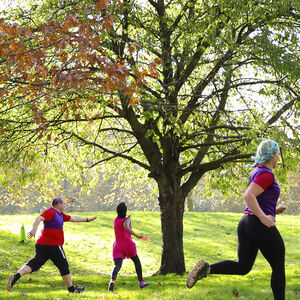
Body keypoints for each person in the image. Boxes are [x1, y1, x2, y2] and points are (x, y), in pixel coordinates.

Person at [186, 139, 287, 300]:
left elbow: (258, 200)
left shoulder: (256, 171)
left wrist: (274, 211)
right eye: (278, 154)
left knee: (243, 266)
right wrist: (263, 217)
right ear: (273, 154)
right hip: (257, 223)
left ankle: (207, 269)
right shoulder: (266, 174)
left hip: (247, 223)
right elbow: (248, 196)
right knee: (278, 267)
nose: (278, 157)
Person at [6, 197, 97, 293]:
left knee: (35, 264)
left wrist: (87, 220)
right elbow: (39, 218)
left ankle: (15, 277)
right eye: (63, 204)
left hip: (42, 245)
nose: (64, 206)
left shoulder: (60, 215)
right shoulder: (51, 212)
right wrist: (34, 230)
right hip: (53, 245)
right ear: (58, 204)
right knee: (63, 265)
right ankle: (71, 290)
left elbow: (73, 218)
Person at [108, 202, 149, 291]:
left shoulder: (116, 219)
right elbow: (126, 227)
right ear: (125, 211)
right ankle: (141, 282)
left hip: (118, 246)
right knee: (137, 262)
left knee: (117, 266)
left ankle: (112, 281)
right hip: (128, 245)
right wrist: (137, 235)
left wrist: (128, 219)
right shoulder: (126, 221)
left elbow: (122, 225)